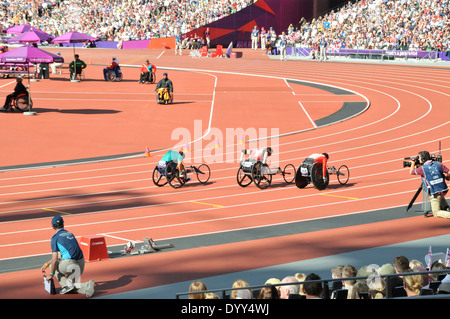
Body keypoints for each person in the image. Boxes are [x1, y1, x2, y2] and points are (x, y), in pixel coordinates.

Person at [40, 216, 95, 297]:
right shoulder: (70, 234)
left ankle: (82, 285)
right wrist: (47, 263)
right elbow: (60, 256)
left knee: (53, 266)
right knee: (71, 287)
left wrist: (51, 274)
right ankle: (87, 287)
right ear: (63, 224)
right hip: (81, 263)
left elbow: (55, 260)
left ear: (52, 226)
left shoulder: (55, 238)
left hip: (70, 264)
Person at [410, 150, 450, 219]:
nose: (418, 160)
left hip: (435, 193)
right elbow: (449, 171)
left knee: (436, 212)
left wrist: (413, 163)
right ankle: (446, 207)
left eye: (419, 158)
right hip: (444, 189)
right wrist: (447, 178)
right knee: (439, 194)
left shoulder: (422, 168)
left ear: (423, 159)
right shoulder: (438, 164)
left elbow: (411, 172)